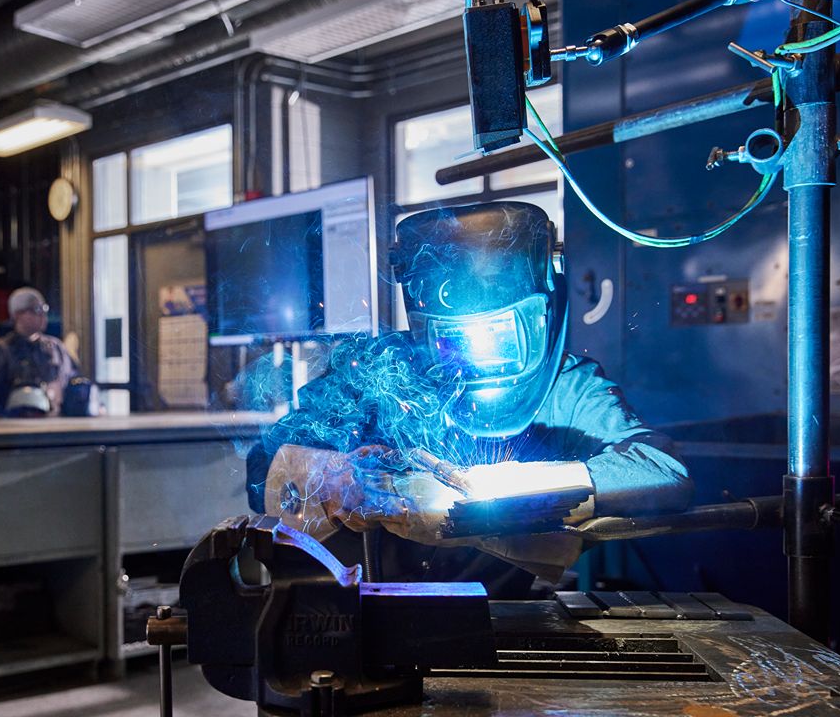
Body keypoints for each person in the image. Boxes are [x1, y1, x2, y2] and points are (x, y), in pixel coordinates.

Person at [246, 202, 692, 598]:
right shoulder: (377, 369)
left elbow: (662, 471)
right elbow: (260, 466)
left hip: (501, 615)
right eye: (452, 342)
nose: (477, 359)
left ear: (538, 312)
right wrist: (327, 475)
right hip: (367, 602)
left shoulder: (567, 385)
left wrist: (522, 488)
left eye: (500, 336)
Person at [0, 287, 78, 417]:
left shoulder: (56, 348)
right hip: (8, 423)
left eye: (44, 309)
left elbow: (72, 382)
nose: (42, 315)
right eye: (36, 310)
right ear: (17, 314)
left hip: (54, 421)